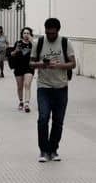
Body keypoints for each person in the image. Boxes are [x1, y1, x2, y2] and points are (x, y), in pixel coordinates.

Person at [30, 18, 75, 163]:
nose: (50, 36)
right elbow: (31, 64)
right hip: (43, 86)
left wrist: (59, 66)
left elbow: (73, 64)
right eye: (47, 33)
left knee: (58, 121)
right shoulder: (39, 43)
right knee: (43, 118)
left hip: (61, 87)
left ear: (57, 31)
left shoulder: (65, 43)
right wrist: (42, 64)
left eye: (52, 33)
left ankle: (53, 149)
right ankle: (43, 150)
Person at [11, 27, 34, 112]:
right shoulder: (18, 43)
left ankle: (27, 104)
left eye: (28, 33)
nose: (26, 35)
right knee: (20, 86)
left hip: (29, 67)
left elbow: (38, 52)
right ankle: (21, 101)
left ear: (30, 34)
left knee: (27, 84)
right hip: (18, 67)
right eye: (24, 33)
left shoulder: (33, 44)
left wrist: (32, 42)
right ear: (22, 34)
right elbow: (11, 54)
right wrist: (16, 50)